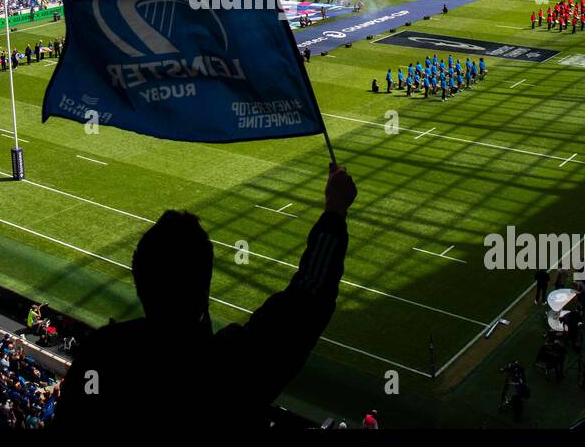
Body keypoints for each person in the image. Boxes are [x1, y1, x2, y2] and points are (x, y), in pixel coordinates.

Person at [53, 164, 357, 429]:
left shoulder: (105, 356)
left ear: (140, 283)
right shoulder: (229, 368)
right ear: (205, 284)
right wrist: (334, 210)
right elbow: (309, 297)